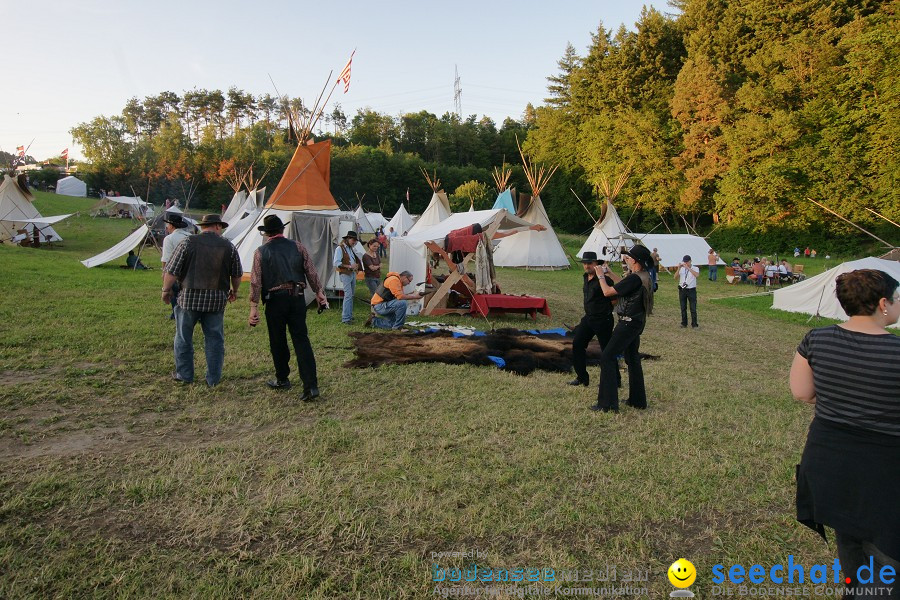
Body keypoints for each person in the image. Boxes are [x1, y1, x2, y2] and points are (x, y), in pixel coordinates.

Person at [790, 269, 900, 596]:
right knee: (886, 553)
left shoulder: (816, 339)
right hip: (883, 470)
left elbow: (802, 392)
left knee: (849, 538)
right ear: (883, 303)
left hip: (827, 461)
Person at [248, 215, 327, 401]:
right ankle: (311, 386)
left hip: (275, 300)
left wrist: (253, 307)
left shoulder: (261, 252)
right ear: (282, 230)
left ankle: (282, 378)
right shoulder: (298, 246)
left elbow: (255, 281)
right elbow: (311, 271)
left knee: (278, 340)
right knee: (301, 340)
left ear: (266, 233)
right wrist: (319, 292)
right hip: (297, 297)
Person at [162, 214, 242, 386]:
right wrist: (234, 291)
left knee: (183, 338)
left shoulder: (188, 242)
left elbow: (172, 271)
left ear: (203, 226)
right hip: (216, 300)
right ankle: (213, 379)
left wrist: (166, 290)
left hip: (188, 298)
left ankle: (184, 375)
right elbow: (236, 274)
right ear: (218, 226)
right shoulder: (228, 246)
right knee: (215, 340)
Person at [592, 245, 654, 412]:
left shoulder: (635, 278)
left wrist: (600, 277)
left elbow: (608, 292)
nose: (626, 258)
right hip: (636, 322)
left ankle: (608, 404)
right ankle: (638, 400)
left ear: (634, 260)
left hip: (627, 323)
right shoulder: (642, 276)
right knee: (632, 358)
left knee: (607, 357)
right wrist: (609, 273)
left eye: (628, 257)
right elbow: (625, 285)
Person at [568, 252, 615, 387]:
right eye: (585, 263)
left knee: (607, 351)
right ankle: (582, 377)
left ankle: (615, 380)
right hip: (589, 318)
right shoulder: (585, 277)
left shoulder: (605, 280)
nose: (587, 266)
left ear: (596, 264)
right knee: (577, 344)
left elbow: (615, 300)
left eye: (590, 263)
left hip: (603, 320)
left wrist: (603, 309)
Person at [161, 212, 192, 319]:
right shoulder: (191, 236)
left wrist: (164, 272)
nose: (167, 227)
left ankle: (176, 314)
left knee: (174, 293)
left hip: (176, 271)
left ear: (171, 225)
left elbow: (166, 258)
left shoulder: (169, 238)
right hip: (191, 271)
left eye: (168, 225)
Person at [332, 230, 363, 324]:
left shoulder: (350, 248)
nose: (354, 242)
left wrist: (356, 265)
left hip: (352, 273)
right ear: (348, 239)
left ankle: (348, 315)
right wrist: (350, 266)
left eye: (355, 241)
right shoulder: (339, 248)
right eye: (353, 240)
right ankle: (345, 318)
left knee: (351, 295)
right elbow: (336, 263)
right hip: (345, 274)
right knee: (348, 295)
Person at [674, 255, 700, 328]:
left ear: (690, 261)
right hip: (682, 290)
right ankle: (684, 323)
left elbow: (697, 275)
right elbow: (675, 277)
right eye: (684, 262)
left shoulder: (695, 268)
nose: (685, 263)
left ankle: (694, 324)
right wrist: (678, 268)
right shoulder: (681, 269)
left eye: (687, 262)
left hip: (691, 290)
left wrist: (688, 268)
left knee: (693, 308)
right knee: (683, 307)